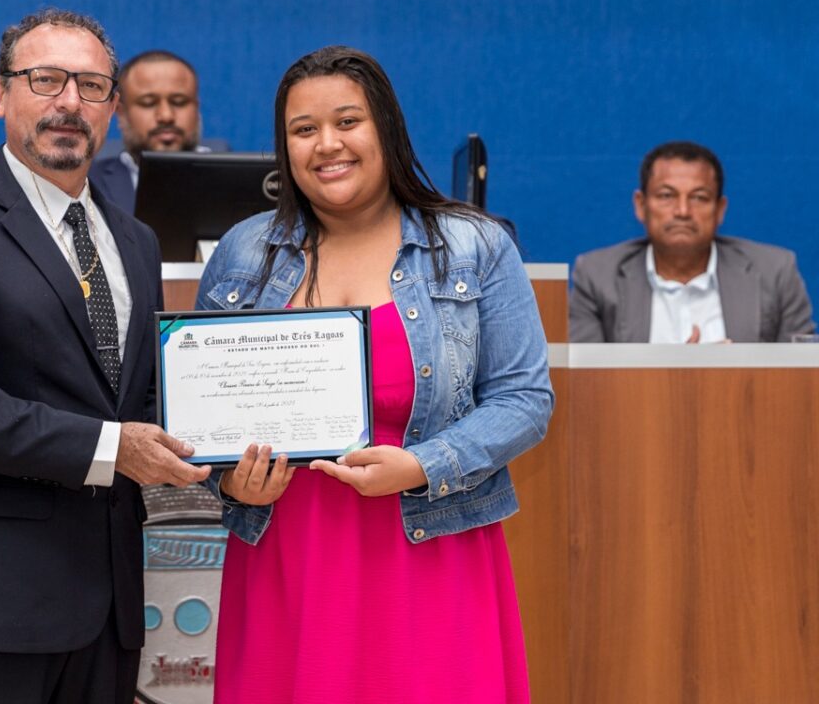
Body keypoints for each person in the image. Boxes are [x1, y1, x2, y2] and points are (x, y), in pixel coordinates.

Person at [0, 8, 210, 704]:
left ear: (112, 107)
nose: (68, 103)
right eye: (45, 79)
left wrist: (231, 460)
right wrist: (115, 448)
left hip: (110, 615)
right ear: (0, 94)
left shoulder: (135, 241)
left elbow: (136, 403)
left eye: (90, 85)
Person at [195, 46, 553, 703]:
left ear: (386, 129)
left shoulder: (473, 245)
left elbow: (525, 399)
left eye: (347, 122)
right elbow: (203, 414)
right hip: (285, 557)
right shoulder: (243, 251)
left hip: (428, 552)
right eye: (303, 130)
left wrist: (422, 465)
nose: (326, 145)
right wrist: (234, 483)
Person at [570, 141, 815, 342]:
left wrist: (731, 377)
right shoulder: (598, 277)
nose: (683, 211)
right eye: (667, 196)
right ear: (641, 205)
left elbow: (804, 380)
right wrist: (680, 375)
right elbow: (583, 382)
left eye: (699, 197)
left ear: (720, 209)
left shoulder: (774, 272)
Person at [88, 50, 206, 213]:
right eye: (148, 103)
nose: (166, 116)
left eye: (179, 102)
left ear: (196, 108)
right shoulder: (87, 185)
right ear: (121, 113)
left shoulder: (235, 182)